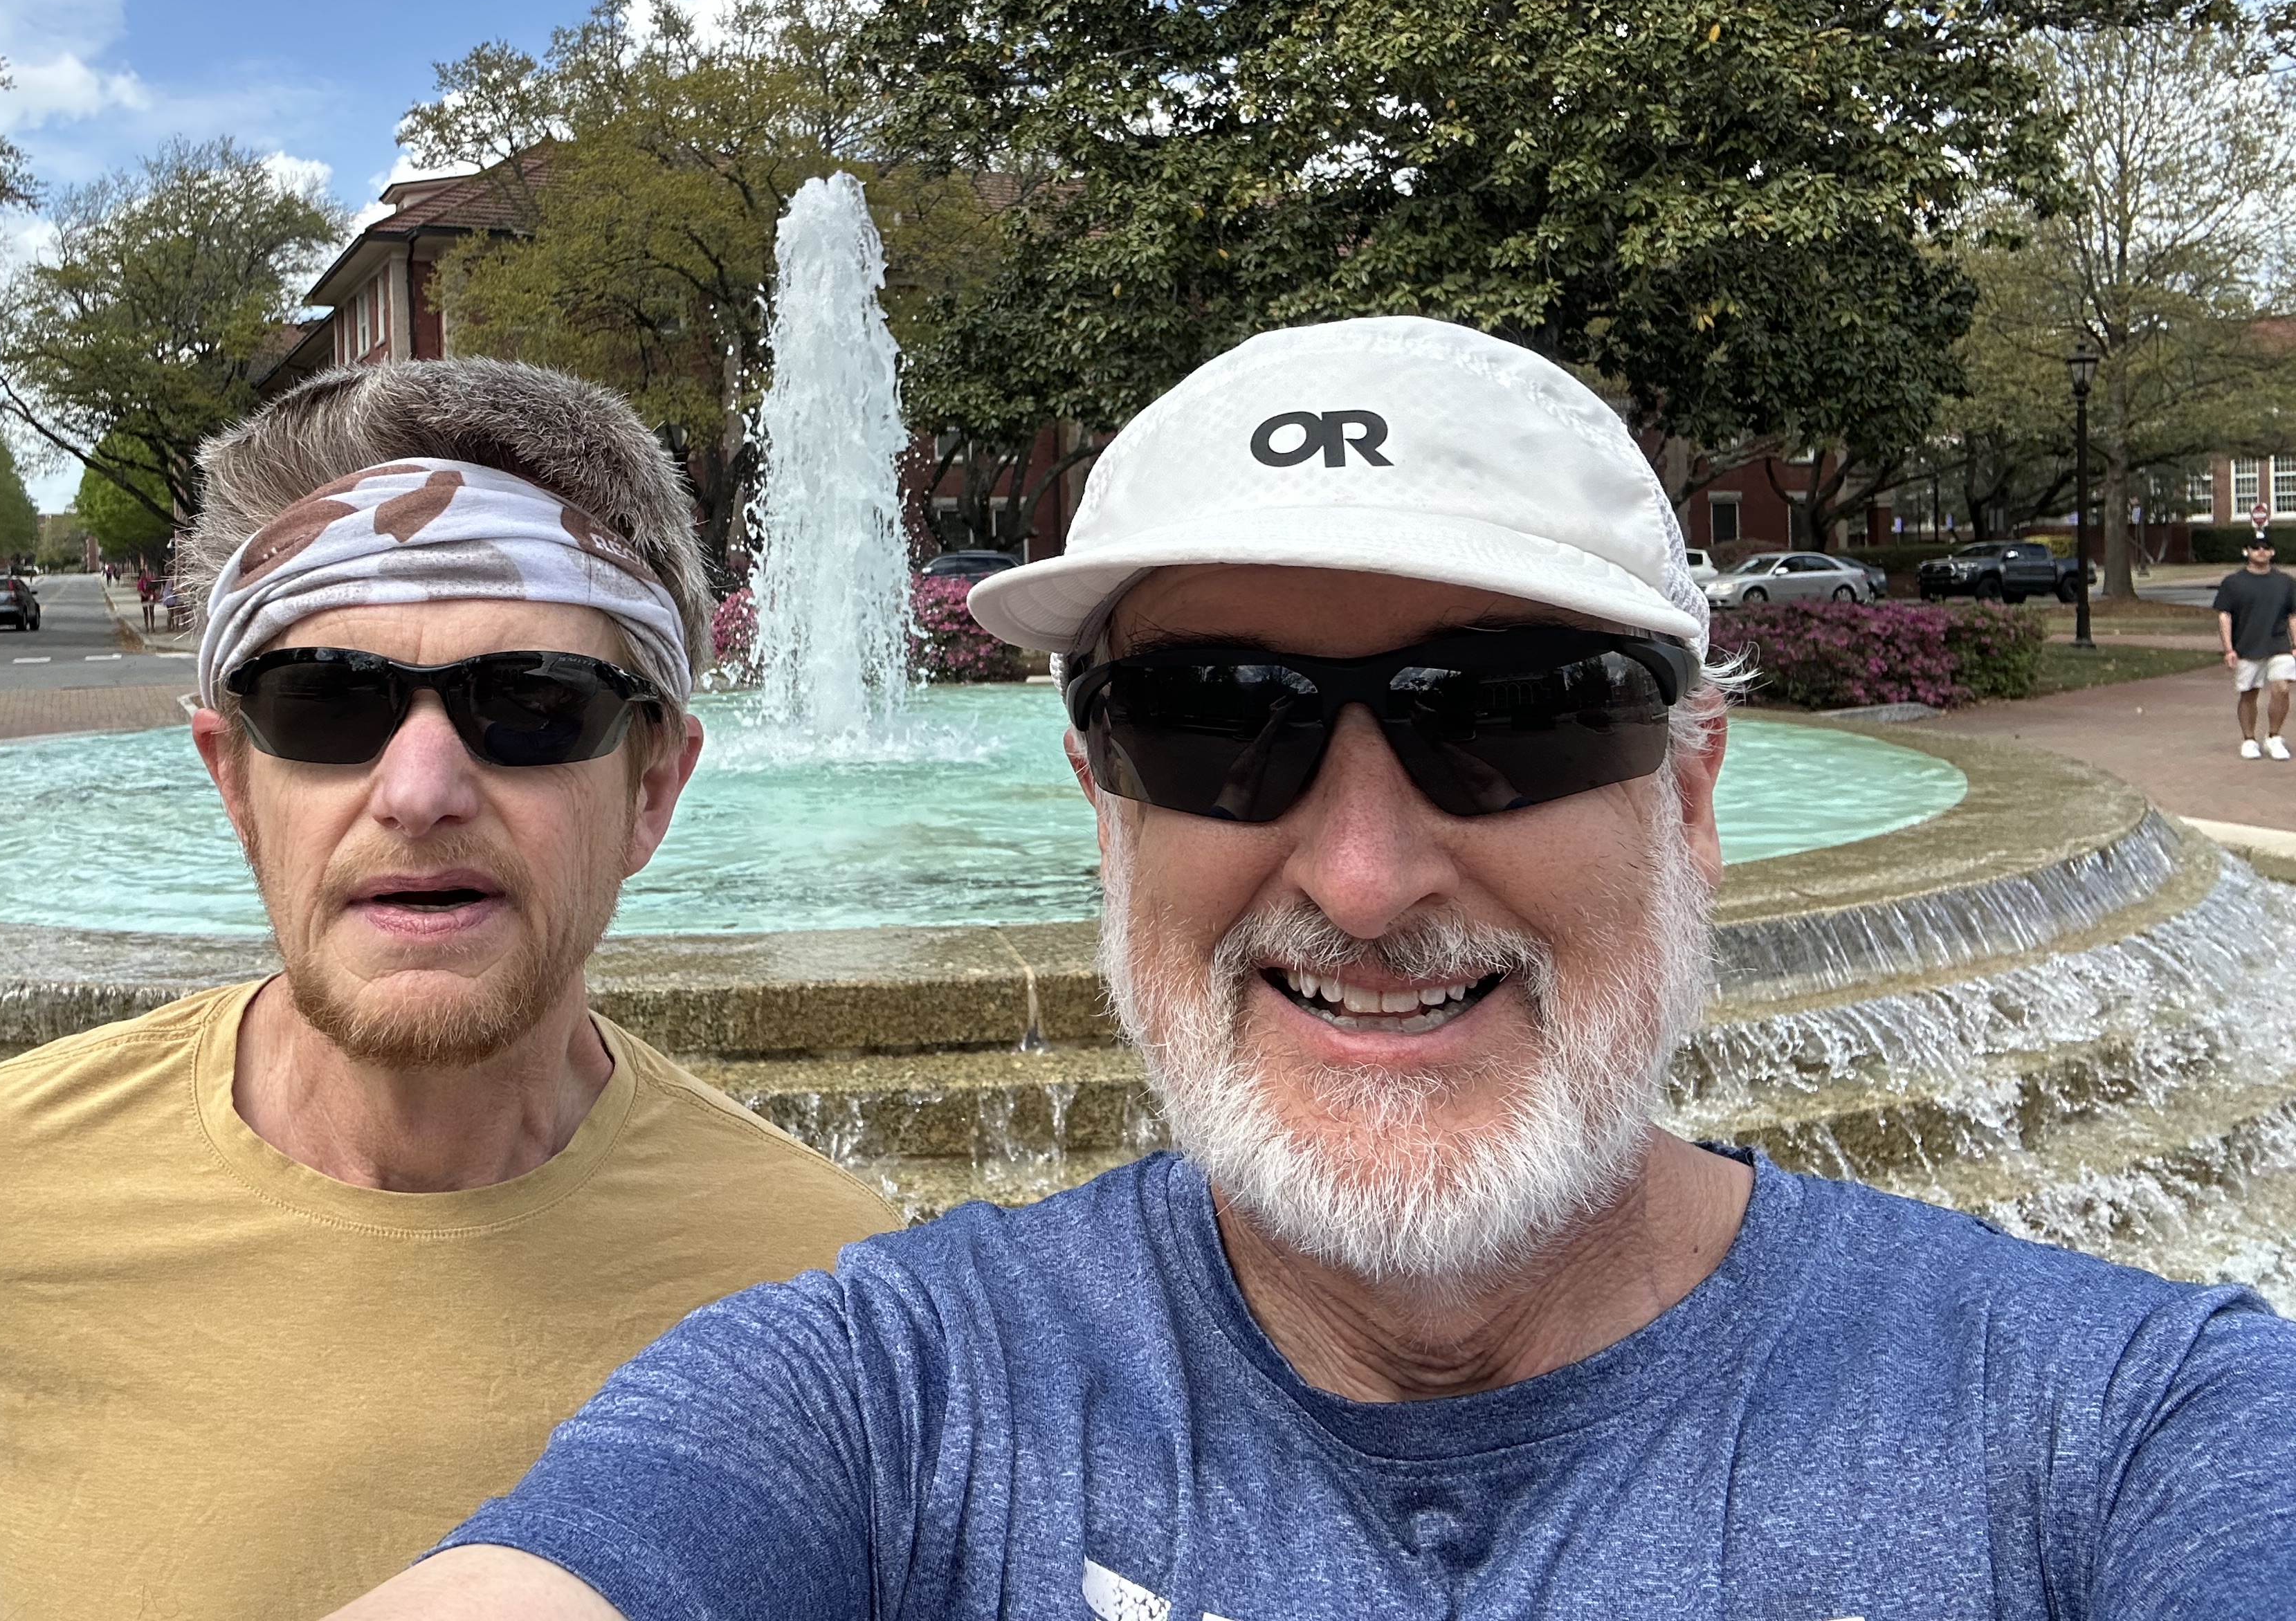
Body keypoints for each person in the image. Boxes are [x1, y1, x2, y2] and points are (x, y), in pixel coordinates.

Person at [336, 316, 2296, 1621]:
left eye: (1511, 711)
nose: (1362, 878)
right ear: (1103, 801)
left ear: (1690, 795)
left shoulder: (2122, 1430)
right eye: (1213, 719)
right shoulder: (889, 1396)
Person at [0, 357, 894, 1621]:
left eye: (532, 703)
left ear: (650, 787)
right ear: (235, 782)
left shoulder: (830, 1285)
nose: (419, 789)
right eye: (326, 703)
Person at [2214, 534, 2296, 760]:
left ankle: (2274, 736)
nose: (2261, 552)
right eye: (2256, 548)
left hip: (2279, 644)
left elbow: (2292, 616)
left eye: (2266, 548)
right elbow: (2224, 616)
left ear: (2273, 552)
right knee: (2249, 693)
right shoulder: (2233, 583)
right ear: (2246, 552)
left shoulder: (2286, 583)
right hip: (2247, 645)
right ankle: (2249, 739)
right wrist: (2229, 649)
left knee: (2282, 689)